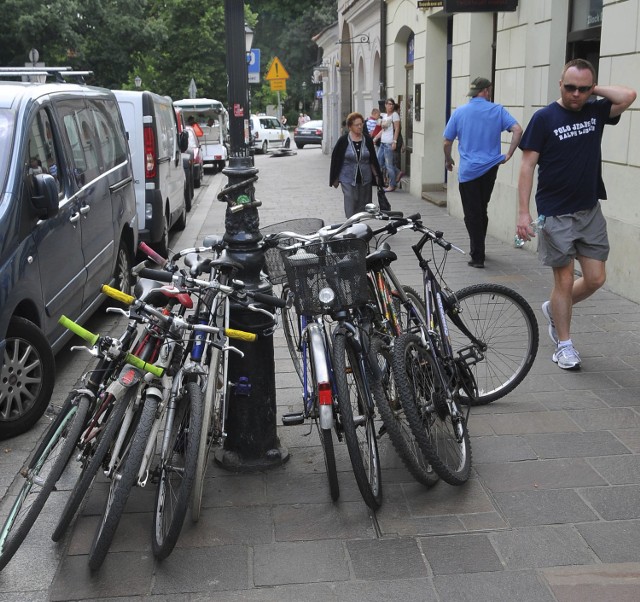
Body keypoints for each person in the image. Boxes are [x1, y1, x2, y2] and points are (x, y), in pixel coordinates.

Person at [518, 59, 636, 370]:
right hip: (555, 213)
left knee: (596, 278)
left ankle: (555, 308)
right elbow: (527, 166)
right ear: (560, 84)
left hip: (589, 209)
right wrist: (522, 212)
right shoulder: (544, 118)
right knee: (565, 279)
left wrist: (594, 90)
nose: (576, 94)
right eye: (570, 87)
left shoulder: (596, 111)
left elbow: (628, 96)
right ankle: (565, 345)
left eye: (583, 89)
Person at [443, 77, 523, 268]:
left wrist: (448, 159)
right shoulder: (497, 110)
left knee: (472, 213)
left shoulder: (460, 112)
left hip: (469, 171)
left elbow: (447, 142)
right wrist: (509, 154)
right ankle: (480, 248)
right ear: (487, 91)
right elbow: (517, 130)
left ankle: (477, 255)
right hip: (490, 168)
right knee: (482, 208)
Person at [330, 112, 383, 218]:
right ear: (350, 127)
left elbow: (372, 159)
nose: (360, 127)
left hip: (365, 178)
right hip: (347, 178)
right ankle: (351, 225)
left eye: (361, 124)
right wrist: (335, 178)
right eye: (357, 125)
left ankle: (360, 227)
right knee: (350, 200)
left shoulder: (367, 140)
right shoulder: (343, 141)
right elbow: (336, 159)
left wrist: (377, 176)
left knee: (363, 204)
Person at [374, 98, 401, 192]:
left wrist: (395, 141)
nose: (391, 106)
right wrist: (376, 138)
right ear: (385, 105)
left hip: (389, 143)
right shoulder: (384, 116)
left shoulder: (395, 115)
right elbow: (382, 130)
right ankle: (397, 172)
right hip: (382, 143)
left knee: (389, 165)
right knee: (379, 162)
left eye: (392, 104)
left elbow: (397, 129)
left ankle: (392, 185)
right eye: (389, 104)